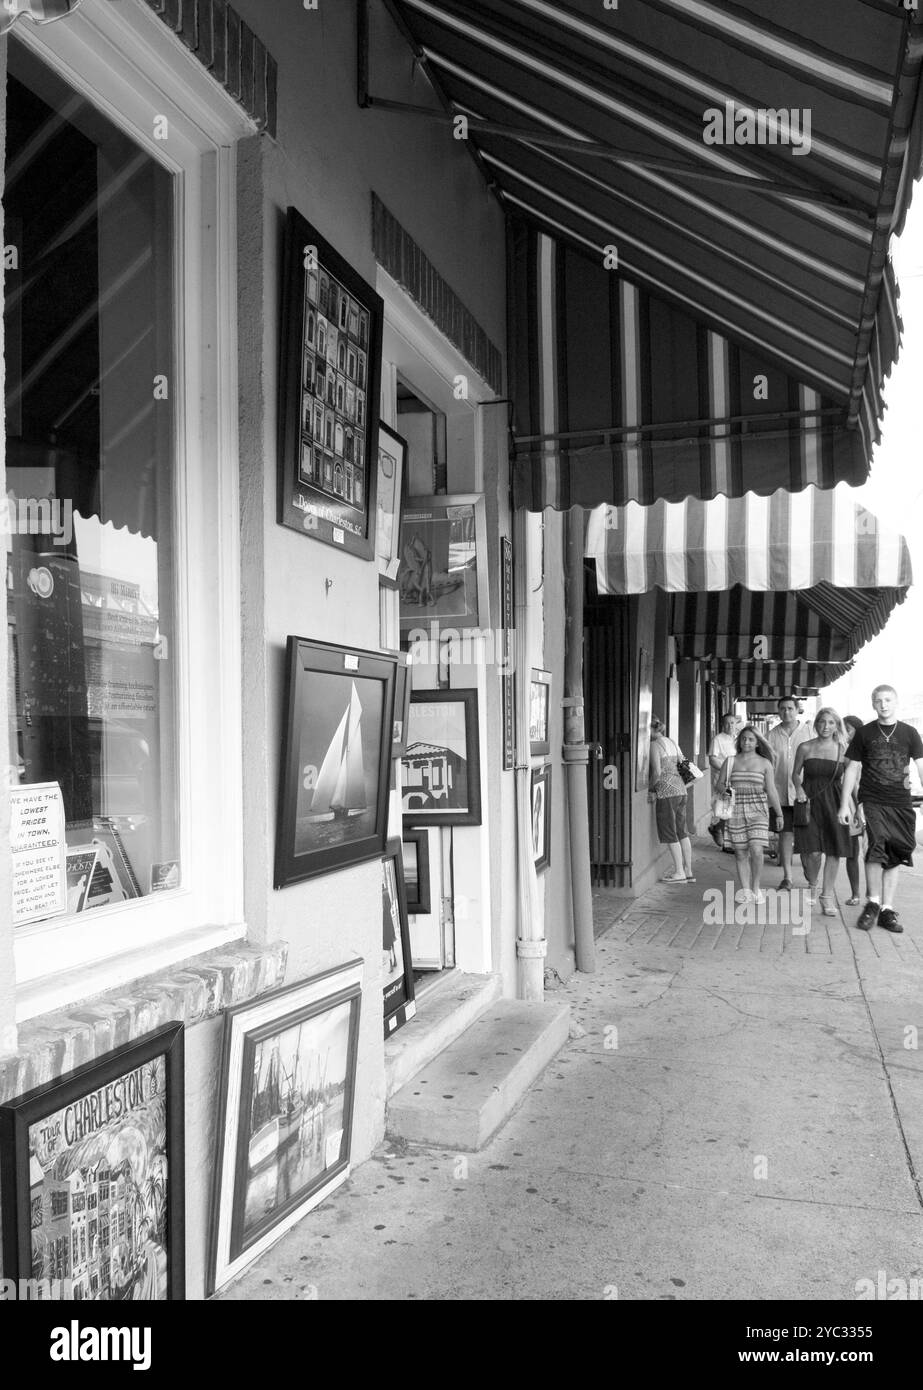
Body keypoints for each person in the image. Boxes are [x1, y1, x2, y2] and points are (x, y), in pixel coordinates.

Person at [838, 685, 923, 933]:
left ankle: (887, 909)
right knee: (876, 846)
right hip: (871, 799)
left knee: (896, 852)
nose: (883, 704)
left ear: (895, 702)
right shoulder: (864, 733)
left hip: (901, 801)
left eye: (887, 700)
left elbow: (920, 765)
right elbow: (851, 769)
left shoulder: (910, 733)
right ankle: (872, 903)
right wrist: (845, 804)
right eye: (878, 701)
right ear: (873, 704)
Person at [791, 707, 851, 915]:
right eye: (822, 722)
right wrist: (798, 788)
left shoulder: (844, 750)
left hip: (834, 802)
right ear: (816, 724)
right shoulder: (805, 747)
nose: (826, 727)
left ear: (837, 725)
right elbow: (795, 774)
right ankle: (813, 884)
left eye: (831, 723)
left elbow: (852, 781)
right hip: (808, 801)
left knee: (834, 850)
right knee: (812, 851)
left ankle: (826, 896)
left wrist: (855, 807)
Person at [720, 724, 784, 904]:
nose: (746, 742)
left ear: (757, 743)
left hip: (758, 810)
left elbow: (771, 790)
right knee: (740, 853)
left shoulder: (765, 763)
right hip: (736, 809)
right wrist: (726, 790)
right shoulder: (730, 761)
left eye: (750, 739)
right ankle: (746, 890)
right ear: (739, 741)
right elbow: (719, 784)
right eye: (743, 738)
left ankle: (756, 888)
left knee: (756, 849)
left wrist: (778, 814)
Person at [767, 696, 813, 890]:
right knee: (785, 835)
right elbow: (767, 764)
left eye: (790, 708)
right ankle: (787, 877)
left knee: (806, 835)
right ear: (778, 711)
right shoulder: (771, 735)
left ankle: (811, 876)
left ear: (797, 710)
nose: (786, 712)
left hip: (804, 793)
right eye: (783, 709)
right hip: (780, 792)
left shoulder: (809, 731)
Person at [648, 716, 693, 883]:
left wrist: (652, 789)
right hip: (681, 790)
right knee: (682, 831)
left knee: (669, 831)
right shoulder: (672, 742)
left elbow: (657, 773)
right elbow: (683, 763)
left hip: (666, 792)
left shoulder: (654, 745)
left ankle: (679, 872)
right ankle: (688, 870)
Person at [842, 715, 866, 906]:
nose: (845, 732)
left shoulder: (867, 749)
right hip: (851, 804)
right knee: (852, 852)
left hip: (867, 805)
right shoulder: (844, 751)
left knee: (873, 853)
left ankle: (873, 895)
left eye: (848, 729)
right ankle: (856, 893)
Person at [707, 713, 738, 849]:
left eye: (732, 723)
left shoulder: (738, 739)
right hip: (722, 779)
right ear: (722, 724)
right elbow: (712, 759)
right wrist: (726, 770)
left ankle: (716, 827)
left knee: (732, 808)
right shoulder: (718, 739)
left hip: (736, 778)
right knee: (726, 808)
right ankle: (727, 843)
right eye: (727, 723)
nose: (730, 725)